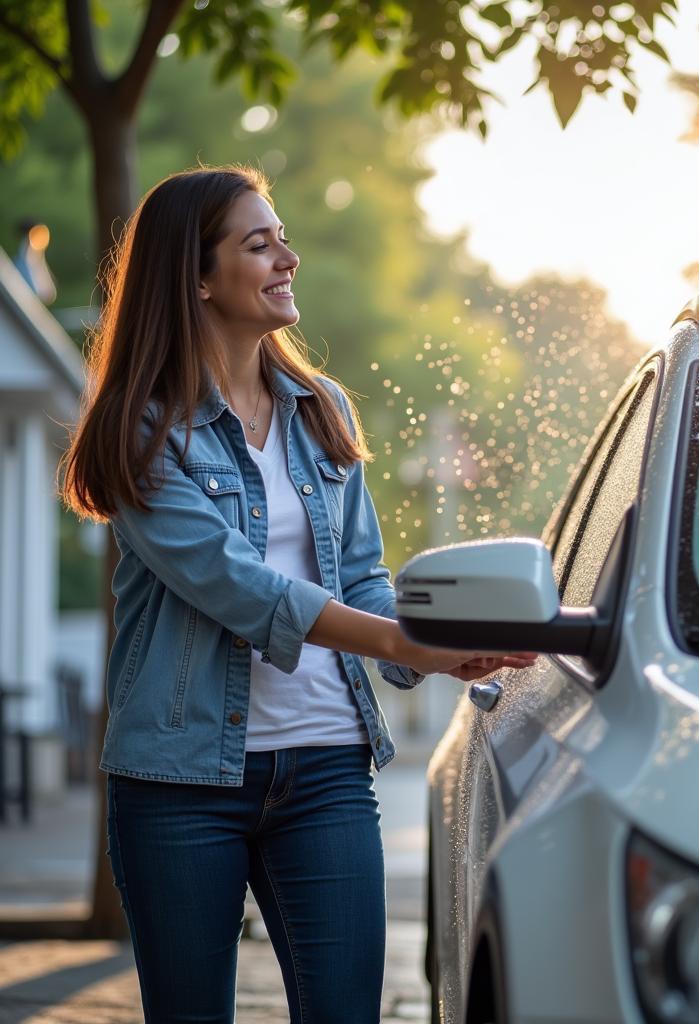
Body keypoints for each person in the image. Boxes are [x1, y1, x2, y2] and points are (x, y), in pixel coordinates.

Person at [60, 165, 534, 1023]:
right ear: (197, 278)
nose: (290, 256)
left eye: (281, 236)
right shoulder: (141, 428)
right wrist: (396, 644)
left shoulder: (322, 407)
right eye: (259, 242)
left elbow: (361, 579)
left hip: (325, 766)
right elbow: (234, 585)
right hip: (179, 779)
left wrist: (443, 637)